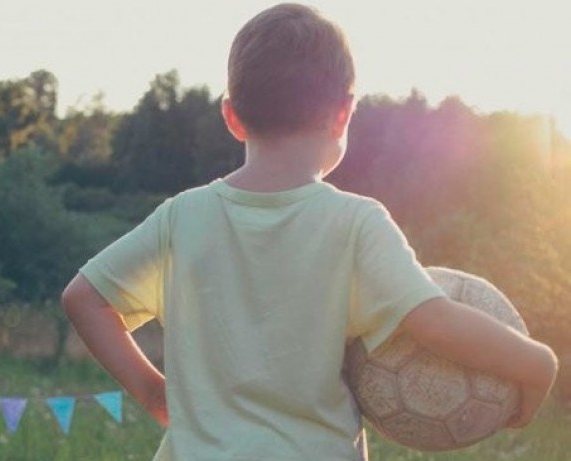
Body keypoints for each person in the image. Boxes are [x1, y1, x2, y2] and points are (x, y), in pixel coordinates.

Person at [61, 3, 558, 460]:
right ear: (344, 112)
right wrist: (538, 365)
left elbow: (84, 297)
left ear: (232, 115)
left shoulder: (182, 217)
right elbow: (433, 320)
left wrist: (153, 392)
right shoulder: (356, 223)